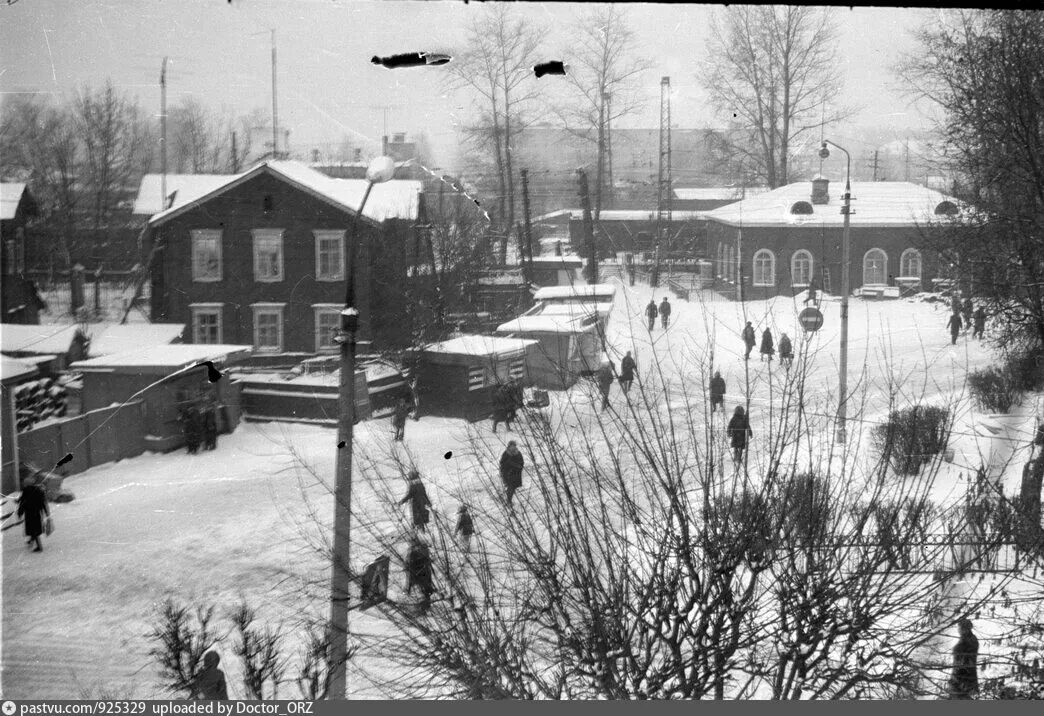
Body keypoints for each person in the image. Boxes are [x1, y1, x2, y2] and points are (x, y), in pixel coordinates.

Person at [17, 471, 50, 553]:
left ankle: (39, 547)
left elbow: (22, 503)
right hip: (37, 513)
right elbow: (43, 502)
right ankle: (31, 540)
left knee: (33, 530)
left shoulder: (26, 491)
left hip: (29, 514)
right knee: (34, 528)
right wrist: (46, 512)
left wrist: (20, 513)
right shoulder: (38, 490)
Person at [948, 618, 979, 699]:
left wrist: (957, 681)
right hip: (959, 677)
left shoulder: (969, 641)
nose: (958, 630)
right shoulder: (967, 640)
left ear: (965, 629)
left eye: (960, 627)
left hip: (963, 678)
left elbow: (967, 663)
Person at [405, 535, 434, 613]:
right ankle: (427, 607)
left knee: (420, 592)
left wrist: (408, 587)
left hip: (417, 575)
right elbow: (428, 561)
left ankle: (422, 610)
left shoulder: (411, 552)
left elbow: (409, 566)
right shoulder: (424, 548)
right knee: (426, 591)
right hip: (426, 573)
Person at [500, 440, 525, 507]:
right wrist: (506, 470)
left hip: (516, 474)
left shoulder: (518, 453)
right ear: (509, 446)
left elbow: (521, 463)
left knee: (513, 487)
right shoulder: (506, 453)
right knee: (510, 487)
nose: (512, 447)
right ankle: (509, 501)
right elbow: (502, 463)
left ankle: (509, 500)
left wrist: (517, 467)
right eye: (511, 446)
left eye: (514, 445)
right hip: (508, 474)